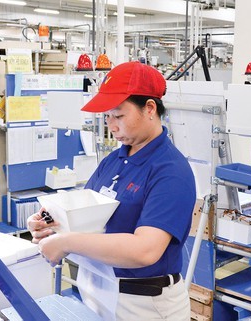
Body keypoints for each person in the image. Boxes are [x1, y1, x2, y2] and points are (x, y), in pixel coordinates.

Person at [27, 61, 196, 321]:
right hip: (98, 290)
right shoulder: (115, 159)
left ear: (149, 108)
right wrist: (50, 222)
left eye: (118, 116)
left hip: (143, 305)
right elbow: (85, 212)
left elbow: (145, 250)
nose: (111, 125)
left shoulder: (170, 171)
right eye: (107, 116)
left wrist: (66, 242)